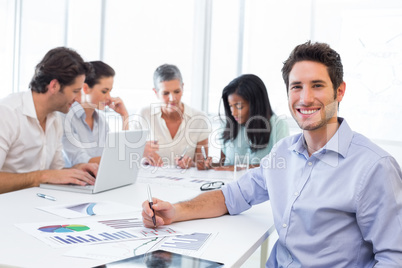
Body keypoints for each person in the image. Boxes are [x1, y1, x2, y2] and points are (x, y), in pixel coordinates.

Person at [142, 41, 402, 267]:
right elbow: (231, 196)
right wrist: (175, 211)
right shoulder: (284, 154)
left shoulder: (375, 167)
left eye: (318, 85)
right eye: (296, 86)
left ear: (340, 90)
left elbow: (394, 258)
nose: (305, 98)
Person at [0, 47, 98, 194]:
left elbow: (54, 172)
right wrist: (41, 177)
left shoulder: (55, 119)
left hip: (38, 204)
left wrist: (76, 170)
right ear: (54, 86)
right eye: (75, 91)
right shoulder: (7, 113)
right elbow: (44, 176)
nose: (78, 99)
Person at [133, 64, 210, 169]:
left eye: (177, 91)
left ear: (183, 87)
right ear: (156, 93)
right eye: (165, 93)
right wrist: (143, 158)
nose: (172, 98)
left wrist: (191, 164)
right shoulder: (143, 115)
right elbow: (130, 156)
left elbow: (202, 164)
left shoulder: (200, 119)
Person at [62, 61, 134, 167]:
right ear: (85, 88)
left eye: (110, 91)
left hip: (96, 179)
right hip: (74, 181)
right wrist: (127, 155)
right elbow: (80, 161)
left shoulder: (101, 120)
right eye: (104, 91)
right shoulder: (65, 117)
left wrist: (124, 116)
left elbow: (114, 154)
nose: (109, 97)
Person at [213, 74, 289, 170]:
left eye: (239, 106)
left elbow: (280, 166)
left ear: (256, 104)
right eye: (230, 106)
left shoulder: (278, 126)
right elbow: (224, 165)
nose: (233, 113)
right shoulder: (228, 125)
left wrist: (239, 168)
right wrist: (208, 165)